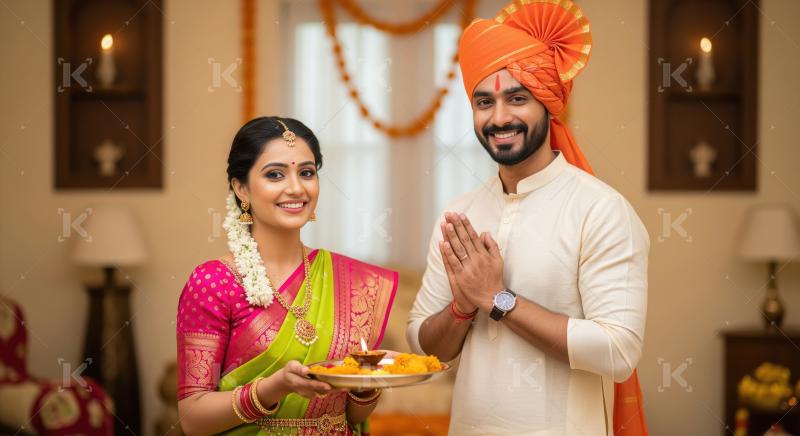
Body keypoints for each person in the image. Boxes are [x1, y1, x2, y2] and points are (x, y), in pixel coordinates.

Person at [406, 1, 649, 434]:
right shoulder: (458, 213)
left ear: (548, 105)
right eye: (484, 102)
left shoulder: (600, 210)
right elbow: (422, 346)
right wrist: (463, 307)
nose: (499, 118)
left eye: (517, 98)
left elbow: (618, 352)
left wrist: (498, 300)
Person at [176, 117, 397, 435]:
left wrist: (366, 384)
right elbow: (193, 418)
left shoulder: (350, 281)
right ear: (242, 189)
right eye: (275, 174)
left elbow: (351, 412)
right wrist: (272, 388)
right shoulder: (213, 283)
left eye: (306, 172)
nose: (296, 188)